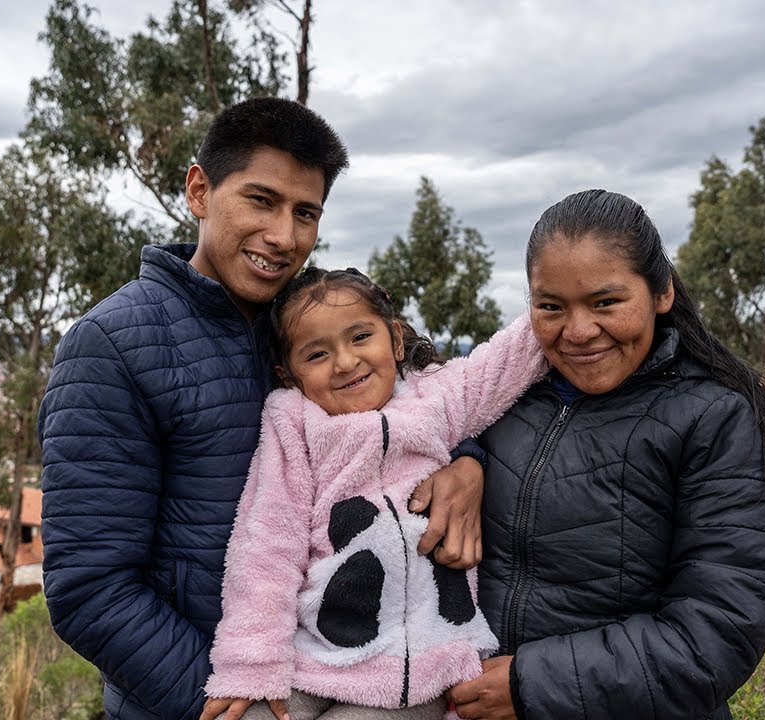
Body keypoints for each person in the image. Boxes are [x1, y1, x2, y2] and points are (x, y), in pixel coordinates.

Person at [38, 98, 486, 720]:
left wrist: (468, 463)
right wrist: (236, 701)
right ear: (200, 190)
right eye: (261, 200)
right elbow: (90, 589)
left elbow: (425, 393)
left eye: (305, 213)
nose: (284, 237)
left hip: (349, 676)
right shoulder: (112, 345)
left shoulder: (315, 322)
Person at [448, 190, 765, 720]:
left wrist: (530, 685)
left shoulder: (712, 417)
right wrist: (466, 456)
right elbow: (405, 406)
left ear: (661, 293)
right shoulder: (502, 398)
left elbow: (718, 633)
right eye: (551, 307)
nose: (579, 332)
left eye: (606, 303)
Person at [201, 268, 548, 720]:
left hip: (420, 670)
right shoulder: (294, 426)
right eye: (318, 353)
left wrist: (561, 301)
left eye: (361, 336)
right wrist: (251, 664)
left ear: (396, 341)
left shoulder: (436, 399)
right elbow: (266, 547)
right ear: (289, 376)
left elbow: (508, 360)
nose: (345, 362)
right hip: (316, 659)